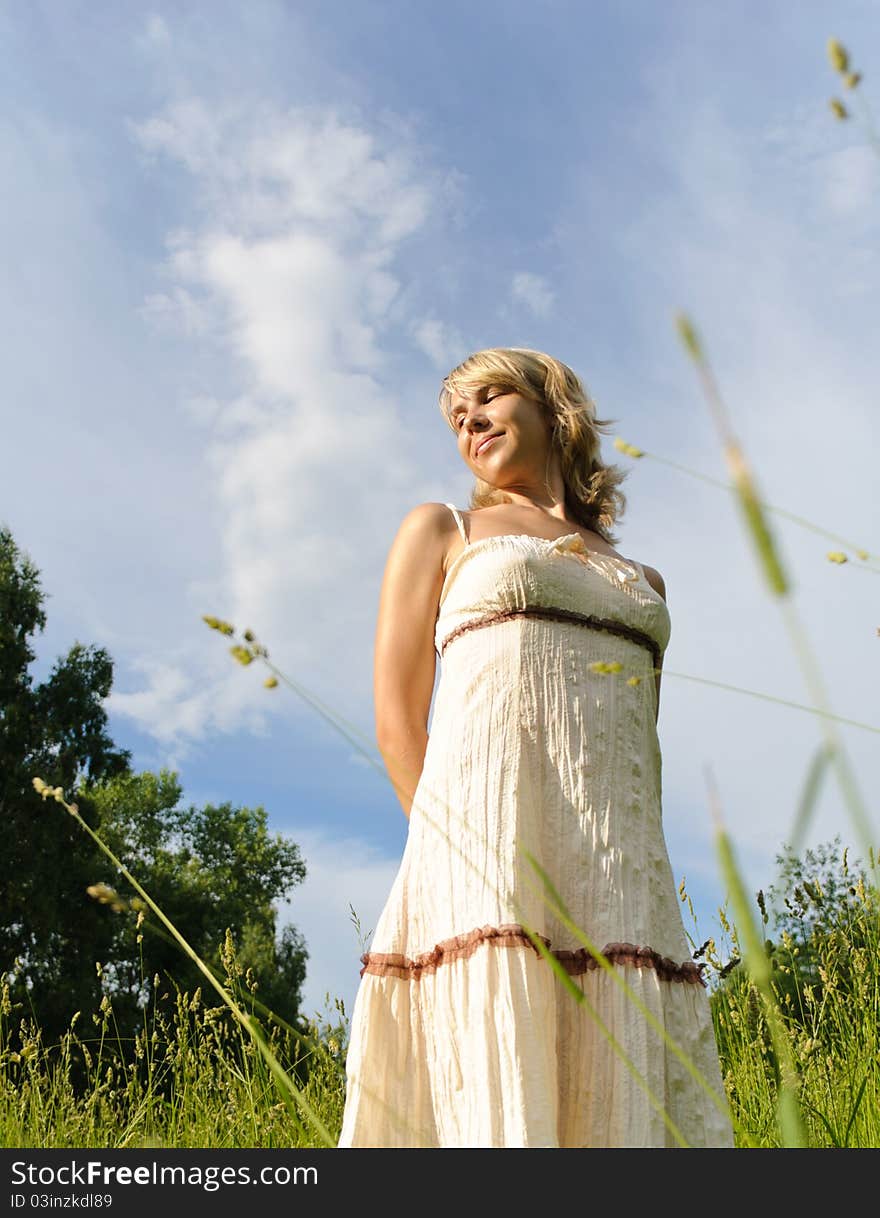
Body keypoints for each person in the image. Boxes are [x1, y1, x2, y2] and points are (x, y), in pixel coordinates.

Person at [336, 347, 734, 1148]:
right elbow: (395, 720)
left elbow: (630, 748)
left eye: (489, 397)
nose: (470, 420)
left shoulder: (645, 582)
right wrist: (455, 864)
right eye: (457, 416)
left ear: (552, 408)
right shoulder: (445, 529)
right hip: (485, 860)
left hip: (619, 881)